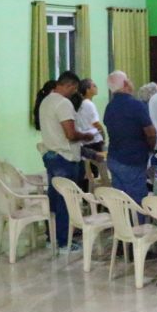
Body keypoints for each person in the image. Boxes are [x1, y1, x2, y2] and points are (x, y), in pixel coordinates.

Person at [39, 71, 97, 251]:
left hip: (51, 155)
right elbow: (70, 134)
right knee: (66, 200)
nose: (74, 93)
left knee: (55, 198)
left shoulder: (46, 101)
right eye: (74, 89)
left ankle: (52, 238)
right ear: (69, 85)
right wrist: (86, 135)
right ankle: (64, 241)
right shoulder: (63, 103)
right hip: (64, 157)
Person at [103, 71, 156, 207]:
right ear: (126, 83)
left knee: (120, 200)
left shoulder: (109, 107)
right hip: (133, 159)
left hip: (114, 158)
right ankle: (137, 221)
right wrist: (152, 149)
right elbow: (150, 133)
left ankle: (121, 221)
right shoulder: (136, 105)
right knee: (136, 201)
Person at [75, 78, 105, 154]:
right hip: (94, 140)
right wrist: (103, 134)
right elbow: (96, 123)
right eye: (94, 86)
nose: (96, 87)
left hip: (84, 141)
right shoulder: (89, 104)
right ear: (87, 90)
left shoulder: (80, 104)